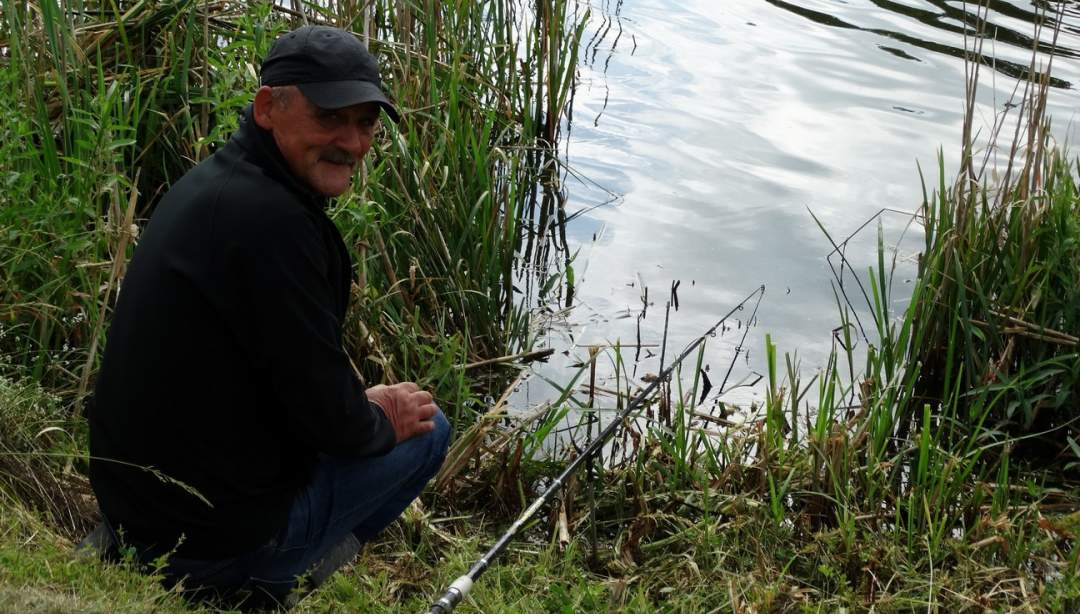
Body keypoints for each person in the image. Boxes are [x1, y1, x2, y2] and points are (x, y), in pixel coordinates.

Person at [85, 25, 450, 607]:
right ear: (266, 108)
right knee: (429, 431)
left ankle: (189, 560)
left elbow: (293, 387)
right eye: (332, 118)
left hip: (133, 514)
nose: (353, 143)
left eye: (366, 124)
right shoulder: (275, 227)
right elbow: (335, 425)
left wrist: (358, 409)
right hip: (204, 542)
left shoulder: (212, 185)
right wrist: (376, 415)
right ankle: (262, 584)